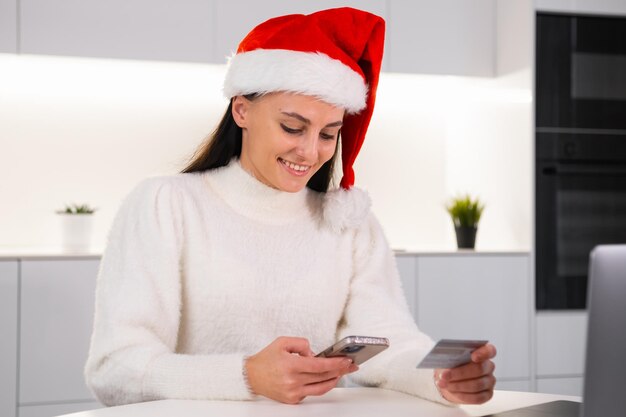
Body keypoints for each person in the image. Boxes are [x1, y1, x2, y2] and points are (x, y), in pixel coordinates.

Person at [85, 7, 497, 407]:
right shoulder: (165, 205)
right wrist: (248, 376)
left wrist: (442, 379)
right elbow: (115, 368)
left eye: (328, 133)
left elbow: (389, 342)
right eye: (292, 127)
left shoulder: (348, 224)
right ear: (241, 109)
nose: (310, 151)